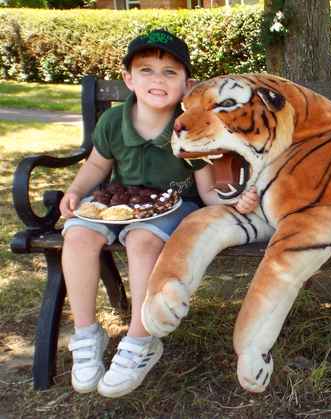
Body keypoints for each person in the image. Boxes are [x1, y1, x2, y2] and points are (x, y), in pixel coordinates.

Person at [58, 29, 258, 398]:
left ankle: (140, 340)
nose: (157, 80)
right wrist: (74, 190)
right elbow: (97, 165)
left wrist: (233, 201)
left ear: (187, 84)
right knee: (78, 235)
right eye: (146, 70)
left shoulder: (190, 128)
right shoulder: (114, 122)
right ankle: (86, 334)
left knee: (142, 240)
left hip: (169, 207)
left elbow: (207, 189)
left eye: (170, 72)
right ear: (129, 79)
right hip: (115, 204)